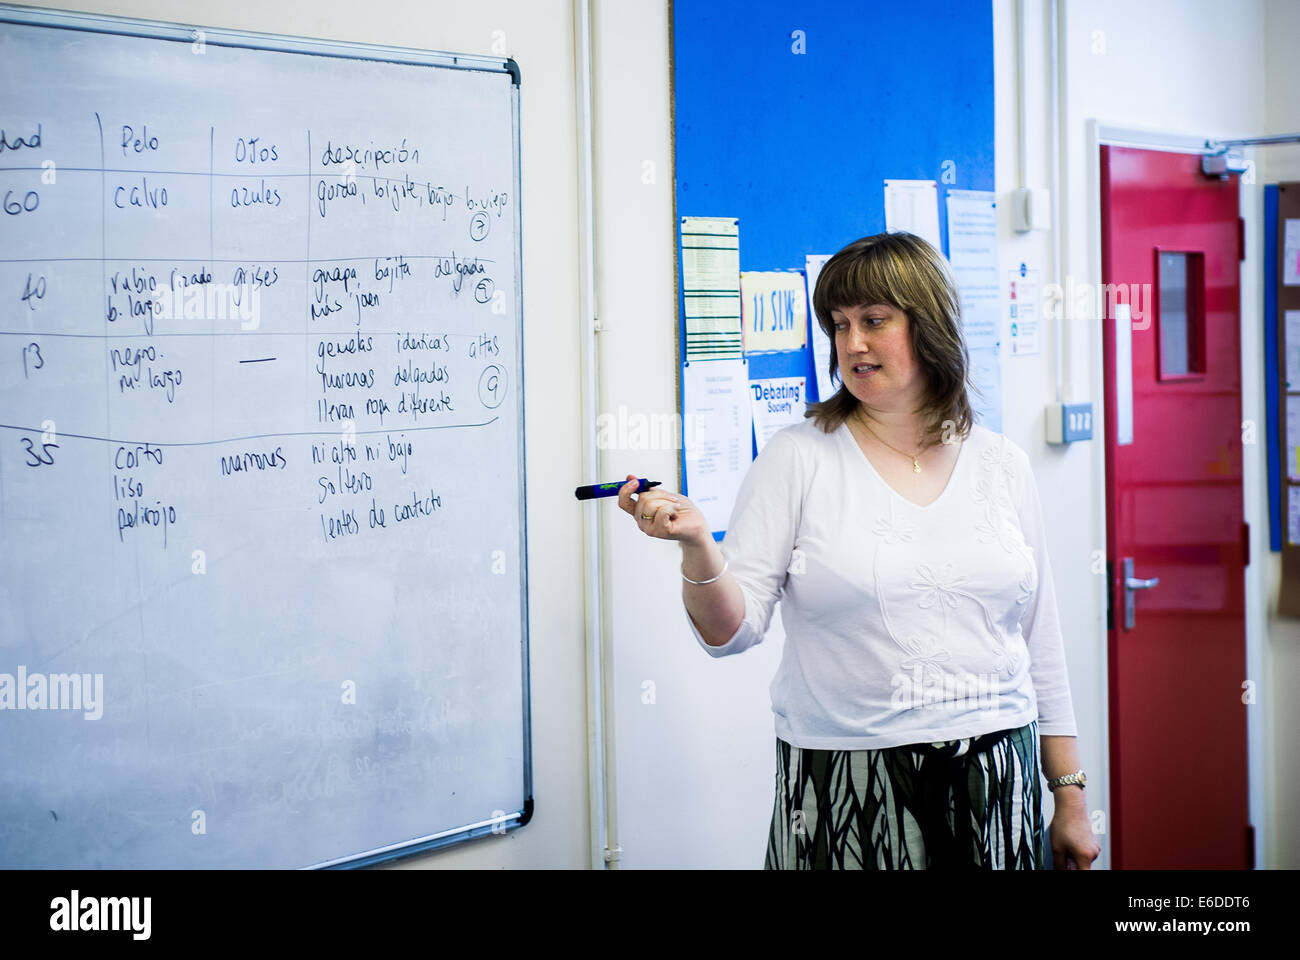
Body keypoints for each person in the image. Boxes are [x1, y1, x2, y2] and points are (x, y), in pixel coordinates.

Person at [618, 232, 1100, 870]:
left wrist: (1068, 796)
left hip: (997, 781)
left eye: (875, 321)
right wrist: (700, 549)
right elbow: (730, 633)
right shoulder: (799, 456)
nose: (852, 344)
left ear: (930, 327)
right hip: (846, 785)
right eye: (839, 325)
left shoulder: (1002, 464)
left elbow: (1041, 639)